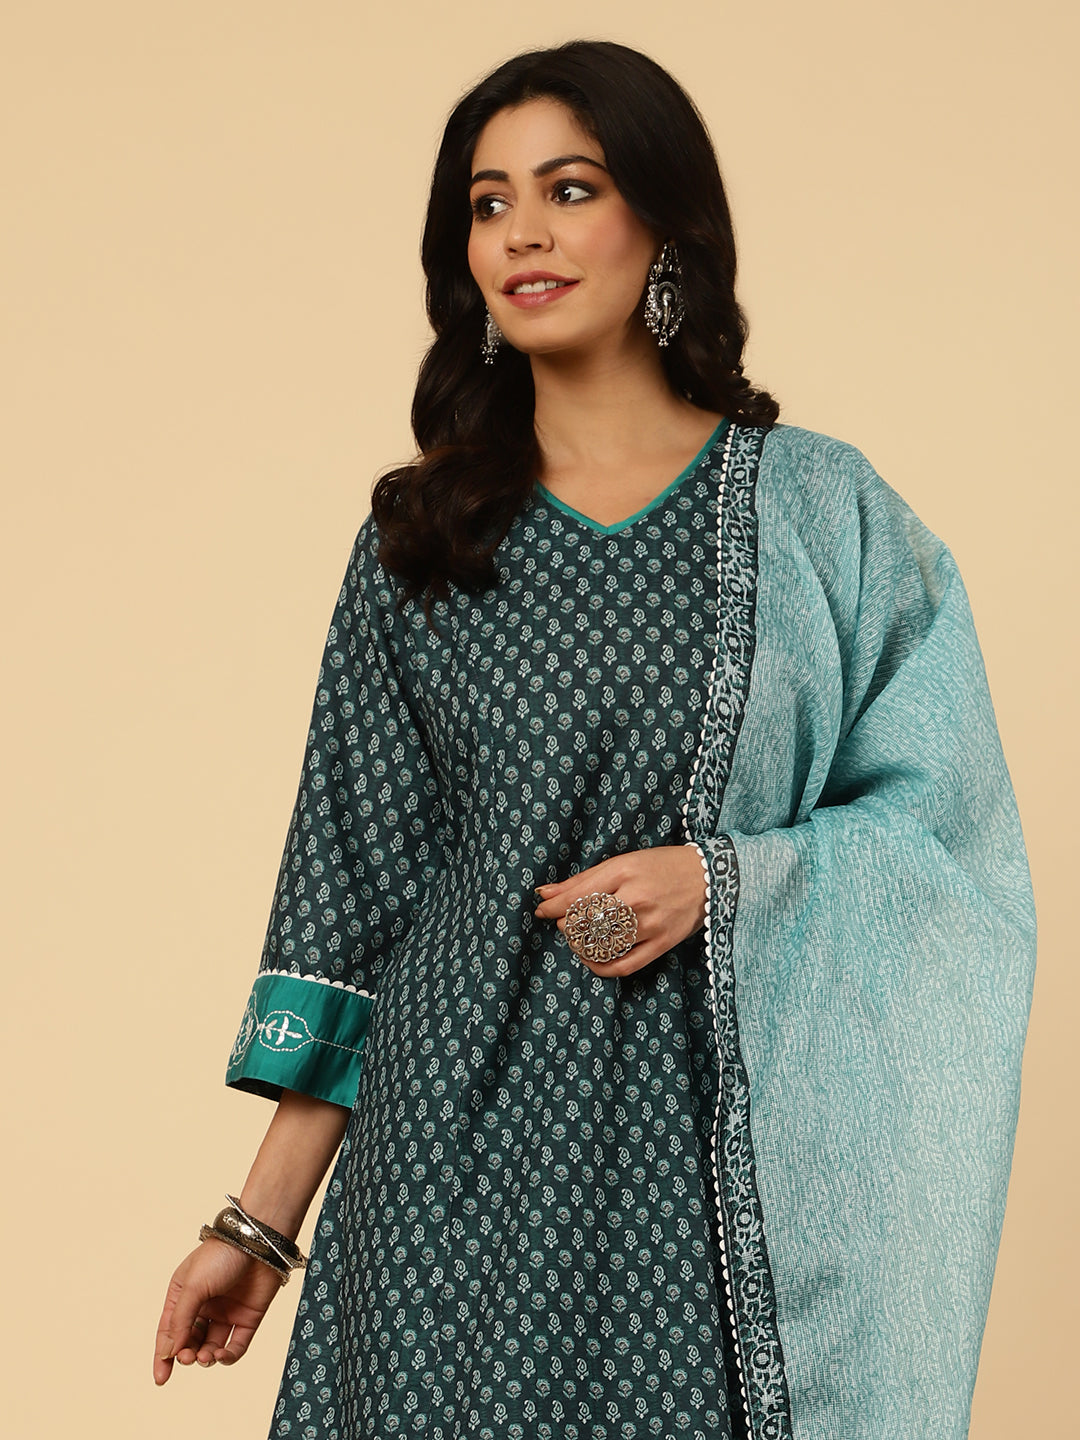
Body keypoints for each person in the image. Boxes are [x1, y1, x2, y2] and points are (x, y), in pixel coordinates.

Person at [152, 39, 1036, 1440]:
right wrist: (256, 1229)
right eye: (488, 203)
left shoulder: (821, 514)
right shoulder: (421, 540)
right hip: (443, 1175)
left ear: (664, 222)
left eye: (570, 189)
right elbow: (357, 896)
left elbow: (949, 836)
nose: (524, 232)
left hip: (706, 1179)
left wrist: (726, 879)